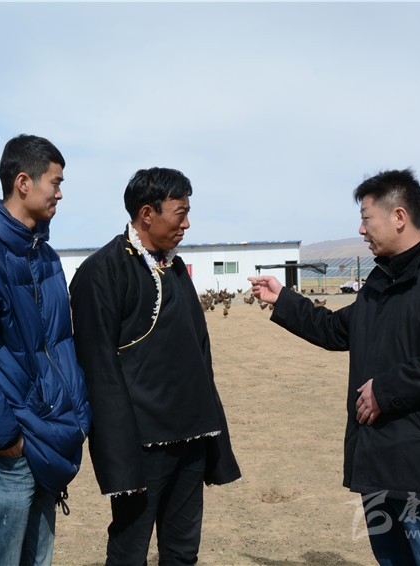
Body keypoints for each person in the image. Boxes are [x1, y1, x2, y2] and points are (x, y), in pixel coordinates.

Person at [249, 168, 420, 566]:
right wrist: (284, 300)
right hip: (377, 452)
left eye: (366, 218)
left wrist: (385, 390)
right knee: (392, 557)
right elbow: (336, 330)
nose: (361, 229)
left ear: (399, 216)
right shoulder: (381, 281)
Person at [69, 167, 241, 566]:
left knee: (182, 551)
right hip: (140, 445)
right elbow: (98, 370)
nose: (187, 224)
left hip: (192, 438)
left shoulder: (174, 268)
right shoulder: (101, 272)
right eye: (180, 213)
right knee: (129, 551)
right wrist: (118, 454)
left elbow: (200, 355)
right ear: (147, 214)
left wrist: (212, 432)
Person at [0, 134, 91, 566]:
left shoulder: (45, 257)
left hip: (49, 436)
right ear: (23, 182)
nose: (60, 194)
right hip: (6, 447)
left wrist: (74, 413)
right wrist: (5, 435)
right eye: (55, 183)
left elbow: (57, 345)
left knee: (38, 559)